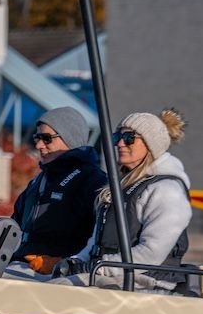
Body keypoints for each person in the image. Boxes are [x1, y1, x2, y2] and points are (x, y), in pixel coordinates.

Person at [52, 108, 192, 292]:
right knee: (40, 283)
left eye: (129, 138)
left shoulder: (167, 190)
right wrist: (77, 261)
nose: (119, 143)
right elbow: (95, 242)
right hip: (113, 276)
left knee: (55, 291)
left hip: (148, 284)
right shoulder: (118, 189)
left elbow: (150, 255)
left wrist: (97, 266)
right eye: (117, 136)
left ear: (151, 145)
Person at [6, 107, 105, 276]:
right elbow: (14, 225)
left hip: (59, 277)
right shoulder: (39, 181)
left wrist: (61, 263)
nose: (38, 145)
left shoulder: (93, 181)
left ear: (70, 139)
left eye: (46, 138)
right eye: (37, 137)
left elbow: (100, 238)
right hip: (20, 265)